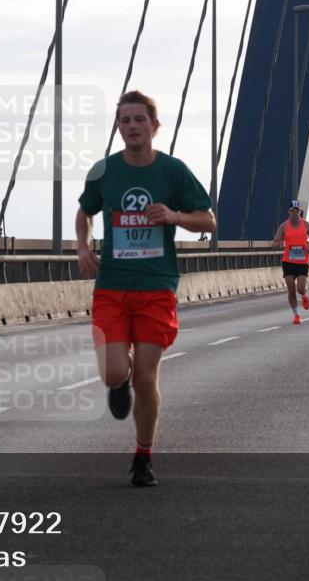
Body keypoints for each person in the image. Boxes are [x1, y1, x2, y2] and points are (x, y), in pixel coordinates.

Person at [77, 90, 215, 487]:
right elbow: (85, 210)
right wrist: (83, 247)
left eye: (140, 120)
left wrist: (173, 215)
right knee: (113, 372)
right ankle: (117, 384)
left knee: (147, 378)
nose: (132, 127)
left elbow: (208, 222)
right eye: (125, 121)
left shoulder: (173, 172)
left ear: (155, 126)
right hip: (112, 287)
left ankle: (143, 456)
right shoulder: (104, 171)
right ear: (118, 128)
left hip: (156, 288)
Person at [272, 200, 309, 323]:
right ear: (289, 212)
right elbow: (275, 241)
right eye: (293, 211)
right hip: (288, 262)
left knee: (300, 289)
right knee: (291, 289)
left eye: (298, 211)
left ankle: (305, 295)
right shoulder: (284, 226)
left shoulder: (306, 225)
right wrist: (278, 244)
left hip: (302, 261)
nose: (296, 213)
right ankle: (297, 315)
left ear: (300, 212)